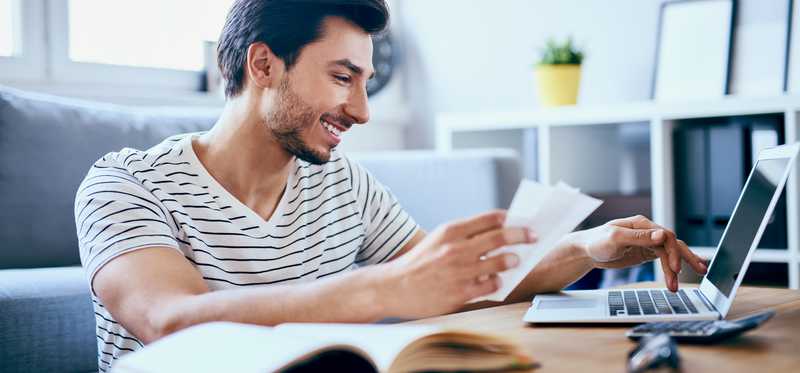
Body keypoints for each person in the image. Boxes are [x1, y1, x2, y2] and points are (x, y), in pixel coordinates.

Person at [74, 0, 708, 370]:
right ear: (263, 63)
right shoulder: (125, 183)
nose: (362, 110)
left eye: (367, 83)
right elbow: (166, 319)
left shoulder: (344, 183)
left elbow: (462, 282)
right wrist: (388, 286)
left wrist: (585, 248)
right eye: (343, 77)